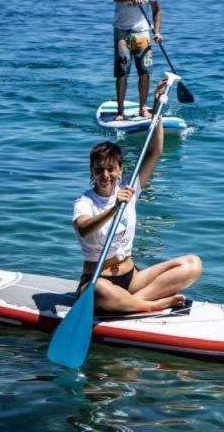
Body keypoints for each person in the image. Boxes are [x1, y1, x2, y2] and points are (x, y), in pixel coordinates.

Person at [73, 79, 201, 313]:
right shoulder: (86, 202)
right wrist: (113, 210)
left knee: (192, 264)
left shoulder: (130, 187)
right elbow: (83, 228)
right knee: (99, 290)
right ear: (92, 171)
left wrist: (156, 111)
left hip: (132, 279)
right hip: (98, 281)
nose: (105, 175)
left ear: (120, 169)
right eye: (99, 170)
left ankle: (131, 304)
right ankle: (151, 306)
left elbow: (154, 152)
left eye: (111, 169)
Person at [112, 0, 163, 120]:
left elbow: (156, 10)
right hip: (123, 31)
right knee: (122, 70)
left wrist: (157, 31)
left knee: (145, 71)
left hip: (142, 33)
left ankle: (143, 108)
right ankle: (120, 111)